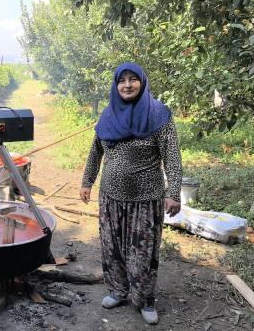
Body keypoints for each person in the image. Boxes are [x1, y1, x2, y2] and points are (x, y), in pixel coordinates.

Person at [79, 62, 182, 325]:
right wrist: (87, 181)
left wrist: (174, 192)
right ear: (115, 85)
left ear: (142, 82)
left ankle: (145, 300)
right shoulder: (108, 114)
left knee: (142, 252)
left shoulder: (158, 114)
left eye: (132, 79)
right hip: (111, 197)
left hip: (146, 200)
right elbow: (95, 151)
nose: (127, 85)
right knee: (111, 247)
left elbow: (172, 157)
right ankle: (118, 291)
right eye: (121, 80)